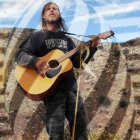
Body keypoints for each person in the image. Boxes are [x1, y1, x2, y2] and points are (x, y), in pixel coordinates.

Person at [15, 2, 100, 140]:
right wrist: (35, 61)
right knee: (56, 132)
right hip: (51, 90)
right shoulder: (37, 37)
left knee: (81, 130)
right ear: (43, 15)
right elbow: (20, 56)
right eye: (48, 9)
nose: (52, 10)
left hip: (71, 88)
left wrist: (93, 47)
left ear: (59, 14)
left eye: (55, 8)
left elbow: (78, 63)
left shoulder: (67, 40)